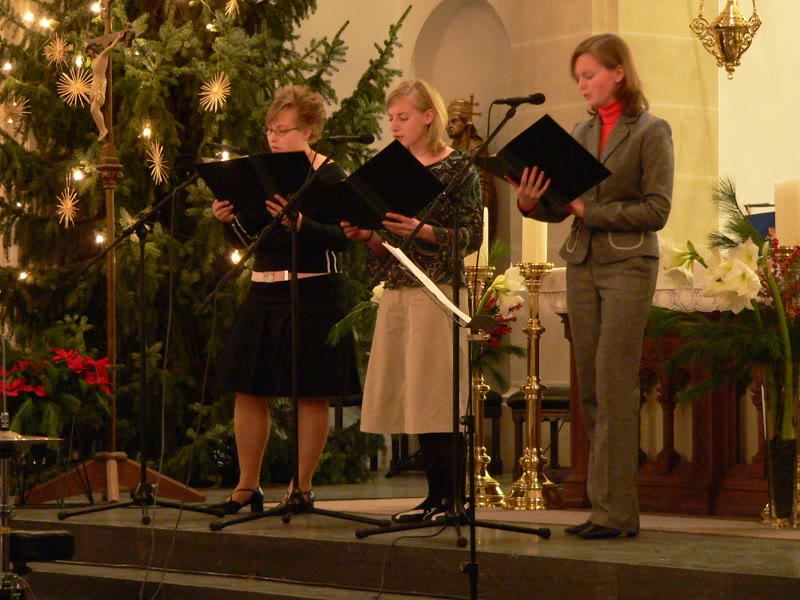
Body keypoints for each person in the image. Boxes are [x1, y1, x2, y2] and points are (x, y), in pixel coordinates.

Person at [512, 34, 673, 539]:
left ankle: (617, 513)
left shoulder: (651, 130)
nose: (581, 85)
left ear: (618, 72)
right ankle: (605, 506)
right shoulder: (581, 131)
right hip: (582, 262)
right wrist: (530, 201)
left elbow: (657, 209)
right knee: (592, 389)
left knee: (614, 383)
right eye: (577, 77)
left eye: (589, 74)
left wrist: (589, 209)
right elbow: (562, 204)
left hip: (628, 263)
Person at [211, 85, 361, 515]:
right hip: (264, 288)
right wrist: (228, 221)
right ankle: (247, 487)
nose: (273, 138)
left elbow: (343, 238)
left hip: (314, 290)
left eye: (283, 130)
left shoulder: (330, 175)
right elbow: (251, 239)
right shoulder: (262, 173)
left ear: (309, 130)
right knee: (248, 387)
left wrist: (301, 224)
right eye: (270, 130)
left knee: (310, 392)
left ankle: (301, 488)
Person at [341, 80, 483, 522]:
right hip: (400, 288)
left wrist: (424, 230)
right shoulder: (392, 170)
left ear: (428, 116)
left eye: (402, 117)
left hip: (438, 292)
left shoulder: (459, 168)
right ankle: (433, 498)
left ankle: (454, 500)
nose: (394, 126)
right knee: (414, 395)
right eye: (391, 118)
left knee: (438, 395)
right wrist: (367, 235)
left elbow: (473, 236)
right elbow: (388, 245)